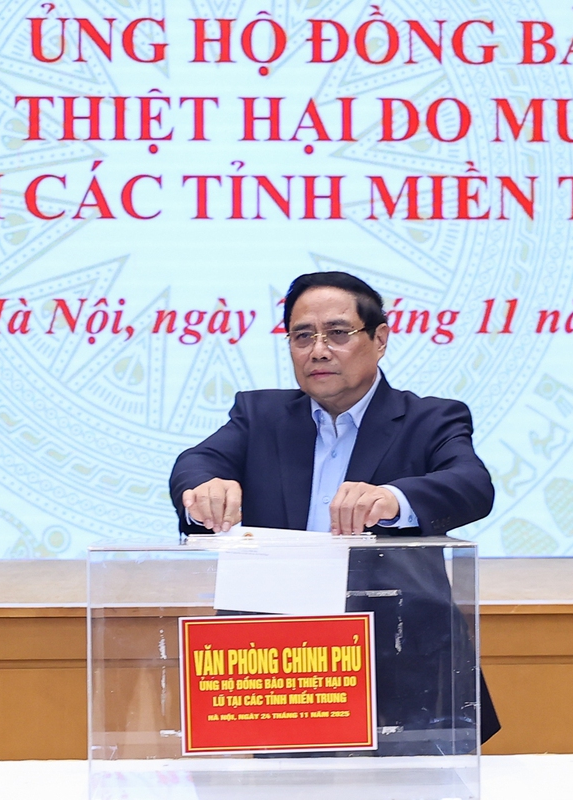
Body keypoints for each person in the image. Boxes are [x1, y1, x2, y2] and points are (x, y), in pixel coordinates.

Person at [169, 271, 499, 751]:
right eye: (303, 336)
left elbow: (471, 484)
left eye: (338, 333)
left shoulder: (430, 418)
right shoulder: (259, 416)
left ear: (379, 339)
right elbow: (196, 462)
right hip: (278, 668)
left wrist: (395, 499)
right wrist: (203, 487)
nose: (318, 351)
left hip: (401, 666)